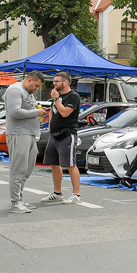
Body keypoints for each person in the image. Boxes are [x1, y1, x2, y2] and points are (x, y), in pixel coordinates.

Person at [5, 70, 45, 213]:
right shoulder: (15, 90)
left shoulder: (28, 93)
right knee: (18, 170)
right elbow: (15, 112)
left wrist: (38, 111)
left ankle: (20, 200)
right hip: (19, 134)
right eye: (36, 86)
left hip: (30, 134)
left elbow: (28, 110)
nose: (36, 89)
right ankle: (15, 202)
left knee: (26, 170)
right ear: (29, 80)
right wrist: (36, 112)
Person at [42, 71, 82, 204]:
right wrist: (50, 124)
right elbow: (53, 111)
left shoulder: (73, 96)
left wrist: (56, 99)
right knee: (53, 163)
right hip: (54, 134)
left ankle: (76, 194)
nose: (54, 84)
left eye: (56, 81)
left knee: (70, 164)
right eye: (54, 81)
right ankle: (57, 192)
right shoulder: (56, 97)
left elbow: (65, 113)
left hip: (67, 134)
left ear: (65, 82)